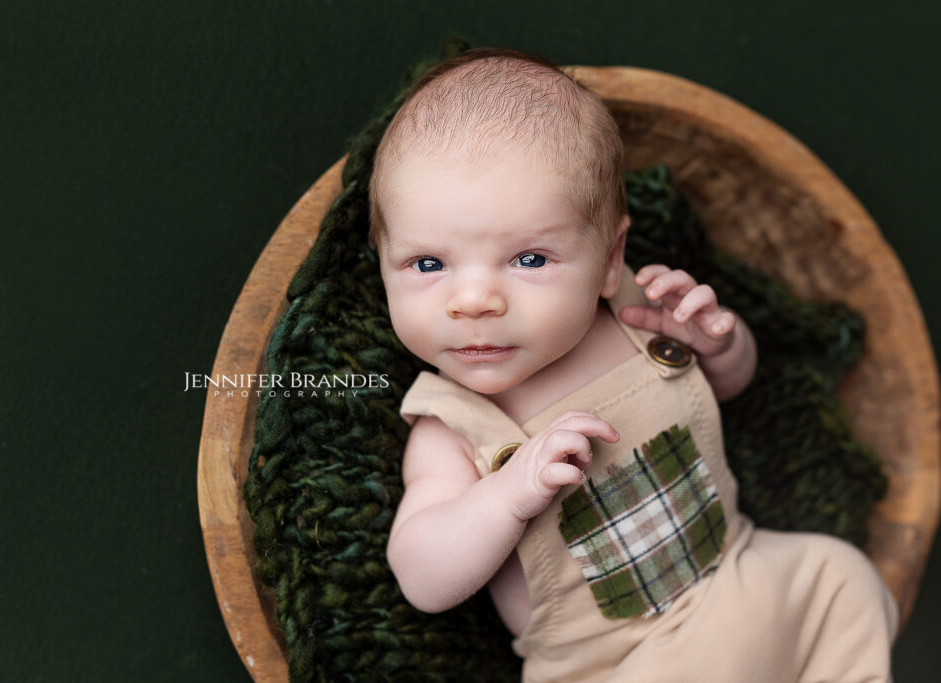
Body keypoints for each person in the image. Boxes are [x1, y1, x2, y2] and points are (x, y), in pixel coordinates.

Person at [370, 47, 897, 682]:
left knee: (841, 578)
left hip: (738, 570)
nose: (475, 301)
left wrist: (721, 345)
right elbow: (422, 576)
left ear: (609, 259)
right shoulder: (451, 427)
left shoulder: (637, 312)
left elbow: (728, 388)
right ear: (383, 266)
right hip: (621, 664)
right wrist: (507, 496)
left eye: (530, 259)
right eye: (428, 265)